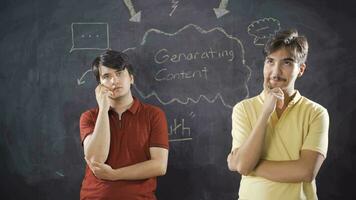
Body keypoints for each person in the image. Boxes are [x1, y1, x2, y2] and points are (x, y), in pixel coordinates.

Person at [227, 29, 329, 199]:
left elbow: (306, 171)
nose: (276, 71)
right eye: (270, 61)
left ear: (301, 69)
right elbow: (243, 166)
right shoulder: (243, 109)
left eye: (287, 63)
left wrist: (247, 165)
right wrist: (266, 112)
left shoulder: (316, 113)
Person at [79, 50, 169, 200]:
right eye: (106, 77)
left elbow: (159, 166)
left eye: (119, 73)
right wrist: (103, 110)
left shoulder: (153, 115)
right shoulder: (89, 117)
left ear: (131, 78)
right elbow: (96, 159)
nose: (114, 81)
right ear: (100, 85)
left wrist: (114, 175)